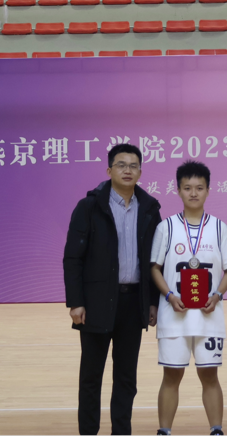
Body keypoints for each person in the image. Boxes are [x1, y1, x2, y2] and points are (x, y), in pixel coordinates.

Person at [63, 143, 162, 436]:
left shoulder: (150, 209)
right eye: (121, 165)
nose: (127, 170)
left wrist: (152, 302)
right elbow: (73, 258)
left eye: (133, 166)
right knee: (91, 377)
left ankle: (121, 432)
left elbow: (156, 261)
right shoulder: (89, 206)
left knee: (126, 378)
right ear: (109, 170)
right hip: (96, 302)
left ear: (140, 172)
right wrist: (76, 301)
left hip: (133, 304)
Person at [150, 161, 227, 436]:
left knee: (209, 374)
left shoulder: (220, 228)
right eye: (187, 188)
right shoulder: (166, 227)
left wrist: (218, 295)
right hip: (174, 314)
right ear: (178, 190)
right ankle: (164, 431)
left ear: (208, 190)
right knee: (171, 375)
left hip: (209, 315)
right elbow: (155, 268)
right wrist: (169, 295)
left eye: (199, 187)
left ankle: (216, 430)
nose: (194, 193)